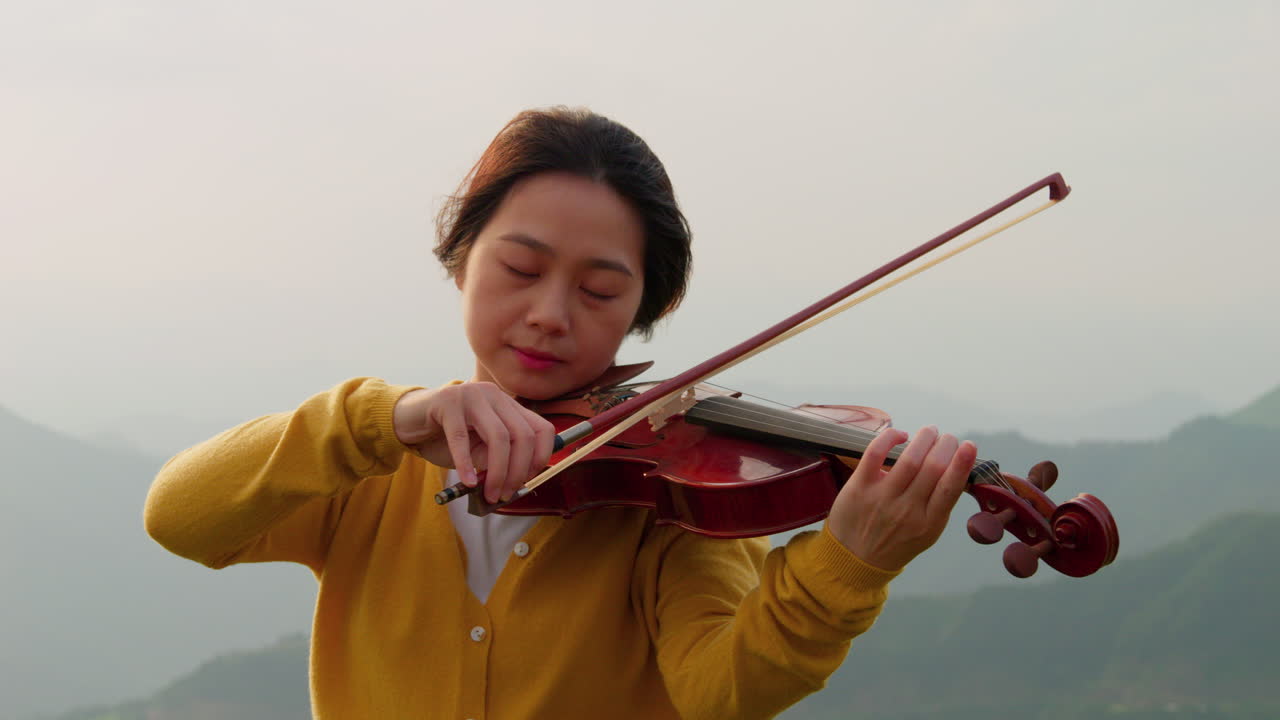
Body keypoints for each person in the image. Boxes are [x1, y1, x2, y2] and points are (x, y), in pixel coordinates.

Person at [144, 106, 977, 720]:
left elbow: (718, 690)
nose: (550, 313)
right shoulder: (374, 462)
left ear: (639, 313)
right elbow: (181, 518)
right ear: (461, 258)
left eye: (599, 291)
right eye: (520, 267)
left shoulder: (672, 496)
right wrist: (382, 421)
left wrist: (846, 569)